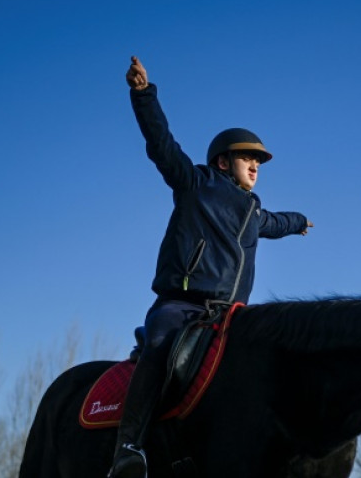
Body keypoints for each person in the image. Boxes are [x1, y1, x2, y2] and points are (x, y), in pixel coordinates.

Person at [108, 56, 313, 478]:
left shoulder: (254, 212)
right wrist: (144, 95)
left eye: (259, 161)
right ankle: (128, 447)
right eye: (247, 157)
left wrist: (299, 222)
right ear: (222, 162)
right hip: (181, 307)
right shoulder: (195, 183)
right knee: (160, 344)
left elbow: (276, 223)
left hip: (231, 315)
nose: (256, 165)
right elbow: (162, 145)